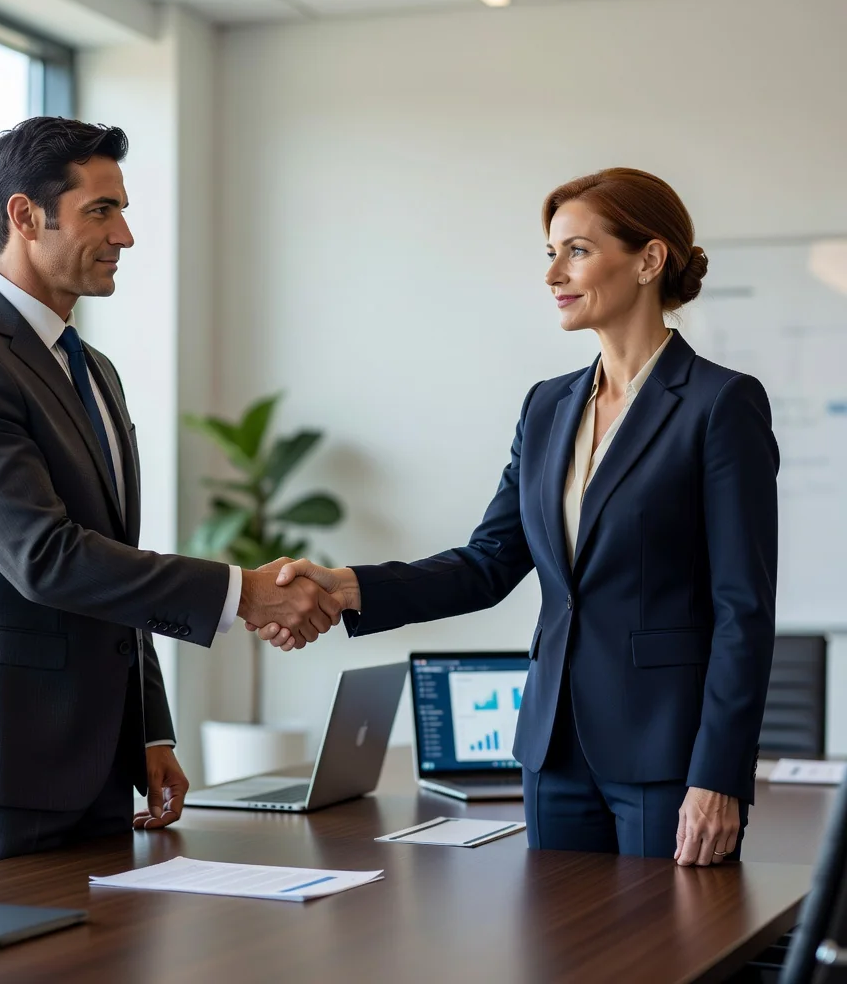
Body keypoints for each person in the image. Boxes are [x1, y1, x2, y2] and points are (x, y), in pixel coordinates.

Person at [253, 168, 779, 866]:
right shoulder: (547, 407)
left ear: (649, 260)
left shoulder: (720, 405)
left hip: (669, 757)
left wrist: (719, 774)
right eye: (550, 253)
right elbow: (489, 562)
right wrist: (348, 586)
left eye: (578, 250)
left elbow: (743, 608)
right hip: (552, 751)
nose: (553, 273)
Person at [0, 116, 340, 877]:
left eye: (122, 210)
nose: (125, 235)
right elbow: (47, 558)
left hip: (98, 761)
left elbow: (114, 562)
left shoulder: (92, 368)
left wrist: (151, 731)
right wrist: (244, 593)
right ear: (25, 216)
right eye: (102, 210)